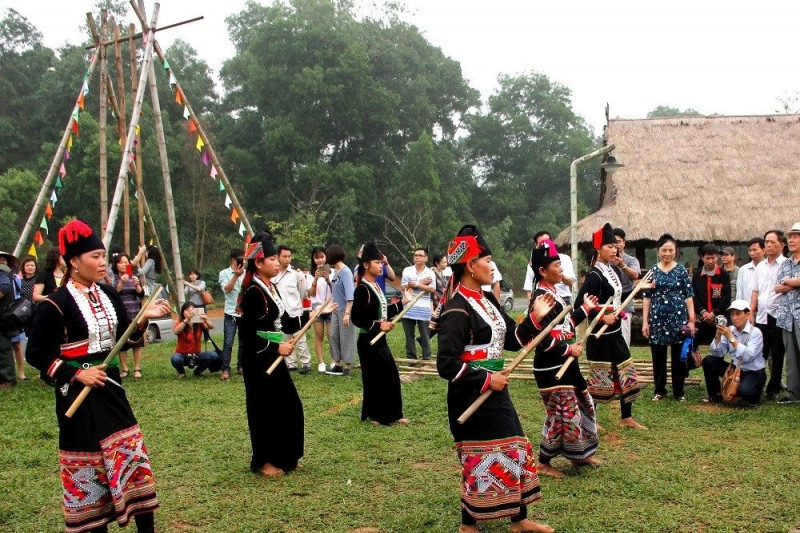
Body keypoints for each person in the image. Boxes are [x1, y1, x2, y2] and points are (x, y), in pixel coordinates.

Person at [25, 218, 171, 533]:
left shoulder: (108, 294)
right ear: (73, 262)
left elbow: (126, 340)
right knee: (89, 470)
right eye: (95, 257)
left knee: (132, 457)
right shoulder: (56, 304)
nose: (103, 262)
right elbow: (35, 353)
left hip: (112, 392)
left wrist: (143, 319)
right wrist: (77, 375)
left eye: (103, 256)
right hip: (77, 398)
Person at [435, 224, 555, 533]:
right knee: (479, 458)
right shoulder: (457, 310)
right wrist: (486, 381)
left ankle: (519, 519)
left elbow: (512, 340)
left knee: (513, 447)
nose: (492, 267)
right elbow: (446, 365)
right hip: (471, 395)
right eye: (487, 261)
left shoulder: (487, 301)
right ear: (471, 266)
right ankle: (468, 525)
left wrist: (535, 319)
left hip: (496, 393)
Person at [528, 239, 599, 478]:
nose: (561, 270)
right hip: (552, 366)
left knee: (581, 403)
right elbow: (541, 339)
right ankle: (544, 461)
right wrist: (569, 350)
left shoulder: (555, 294)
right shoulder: (541, 299)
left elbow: (566, 325)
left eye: (561, 264)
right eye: (556, 265)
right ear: (542, 271)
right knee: (561, 414)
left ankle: (579, 454)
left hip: (567, 364)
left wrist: (586, 309)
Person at [238, 230, 303, 476]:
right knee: (264, 409)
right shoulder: (253, 292)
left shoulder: (270, 288)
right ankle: (264, 461)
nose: (278, 263)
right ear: (258, 262)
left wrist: (309, 318)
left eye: (278, 259)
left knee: (289, 405)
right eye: (273, 259)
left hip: (274, 357)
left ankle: (287, 456)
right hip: (259, 360)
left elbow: (283, 321)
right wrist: (277, 347)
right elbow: (248, 334)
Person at [574, 223, 647, 430]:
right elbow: (581, 303)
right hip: (599, 333)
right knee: (599, 375)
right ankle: (590, 420)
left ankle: (627, 416)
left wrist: (639, 289)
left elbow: (617, 297)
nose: (614, 249)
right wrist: (600, 315)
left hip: (615, 332)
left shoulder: (613, 269)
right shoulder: (594, 276)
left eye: (615, 246)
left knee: (626, 370)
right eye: (609, 246)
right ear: (598, 249)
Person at [351, 240, 411, 425]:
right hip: (368, 340)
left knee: (390, 373)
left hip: (379, 339)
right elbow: (357, 318)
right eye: (377, 262)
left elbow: (384, 313)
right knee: (375, 376)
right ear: (366, 265)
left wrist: (403, 303)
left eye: (381, 262)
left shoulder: (376, 286)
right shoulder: (362, 289)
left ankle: (394, 414)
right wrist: (378, 326)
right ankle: (376, 415)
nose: (381, 265)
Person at [642, 234, 696, 402]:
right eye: (664, 250)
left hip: (678, 319)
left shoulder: (680, 271)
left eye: (670, 250)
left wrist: (691, 320)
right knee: (658, 356)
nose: (667, 253)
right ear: (658, 251)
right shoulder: (653, 270)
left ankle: (679, 391)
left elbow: (688, 296)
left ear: (676, 251)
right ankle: (659, 390)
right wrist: (645, 321)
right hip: (657, 319)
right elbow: (647, 297)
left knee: (678, 356)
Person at [701, 299, 765, 405]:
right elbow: (717, 354)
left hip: (753, 372)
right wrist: (718, 336)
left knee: (745, 392)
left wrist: (731, 338)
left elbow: (747, 356)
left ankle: (753, 392)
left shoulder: (755, 333)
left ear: (747, 314)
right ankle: (715, 395)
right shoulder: (730, 329)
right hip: (735, 370)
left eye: (738, 314)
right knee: (709, 361)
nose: (734, 318)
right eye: (732, 314)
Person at [750, 230, 787, 400]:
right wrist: (751, 311)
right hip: (761, 315)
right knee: (760, 351)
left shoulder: (787, 265)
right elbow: (755, 290)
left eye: (772, 242)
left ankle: (774, 387)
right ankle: (757, 382)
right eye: (766, 242)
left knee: (777, 353)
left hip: (778, 314)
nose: (769, 245)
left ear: (782, 244)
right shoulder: (760, 267)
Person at [273, 245, 312, 373]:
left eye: (289, 256)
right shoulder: (273, 273)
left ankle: (306, 362)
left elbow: (302, 291)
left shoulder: (297, 273)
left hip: (296, 311)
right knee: (285, 337)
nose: (287, 259)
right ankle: (291, 363)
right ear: (278, 257)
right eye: (284, 256)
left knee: (300, 339)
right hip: (281, 313)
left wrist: (296, 304)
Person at [775, 222, 800, 404]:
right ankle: (794, 394)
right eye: (789, 237)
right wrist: (793, 283)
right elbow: (777, 287)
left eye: (795, 237)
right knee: (791, 359)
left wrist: (788, 282)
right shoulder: (786, 263)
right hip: (786, 316)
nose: (791, 240)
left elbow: (784, 284)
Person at [111, 252, 145, 379]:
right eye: (121, 262)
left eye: (126, 262)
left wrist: (137, 285)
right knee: (122, 343)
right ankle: (125, 368)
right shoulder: (113, 277)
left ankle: (137, 367)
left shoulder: (134, 276)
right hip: (121, 314)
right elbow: (114, 293)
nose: (124, 264)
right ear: (116, 265)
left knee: (137, 341)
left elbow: (141, 295)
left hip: (134, 312)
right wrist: (121, 282)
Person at [692, 243, 732, 348]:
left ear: (717, 257)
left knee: (718, 349)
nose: (710, 261)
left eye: (713, 258)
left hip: (719, 318)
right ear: (702, 258)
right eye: (707, 258)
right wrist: (703, 312)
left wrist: (714, 313)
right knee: (692, 347)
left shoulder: (724, 274)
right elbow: (693, 296)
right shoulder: (697, 275)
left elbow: (726, 297)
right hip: (702, 318)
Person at [400, 247, 436, 361]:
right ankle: (411, 359)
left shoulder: (430, 273)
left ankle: (427, 357)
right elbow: (404, 286)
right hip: (408, 307)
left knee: (425, 335)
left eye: (420, 255)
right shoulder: (407, 270)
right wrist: (420, 283)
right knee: (409, 336)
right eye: (415, 255)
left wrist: (416, 284)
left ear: (426, 258)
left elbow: (432, 289)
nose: (417, 257)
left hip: (423, 309)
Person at [326, 244, 356, 376]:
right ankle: (337, 364)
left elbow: (350, 295)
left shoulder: (346, 272)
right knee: (333, 336)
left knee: (346, 337)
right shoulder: (335, 272)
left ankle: (347, 366)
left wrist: (347, 314)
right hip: (335, 310)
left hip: (345, 310)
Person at [524, 231, 575, 305]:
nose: (546, 245)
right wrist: (530, 304)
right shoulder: (533, 263)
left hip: (563, 297)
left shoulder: (565, 258)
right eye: (542, 243)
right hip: (543, 298)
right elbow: (529, 288)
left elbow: (571, 282)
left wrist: (559, 274)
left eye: (548, 242)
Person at [170, 301, 220, 377]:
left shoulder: (199, 322)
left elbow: (211, 326)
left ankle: (198, 371)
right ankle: (181, 373)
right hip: (182, 355)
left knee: (214, 355)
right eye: (188, 310)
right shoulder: (180, 322)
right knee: (175, 358)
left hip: (196, 355)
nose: (191, 312)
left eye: (192, 309)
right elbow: (176, 331)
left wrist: (205, 319)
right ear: (183, 312)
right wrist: (186, 320)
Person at [612, 227, 641, 346]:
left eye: (619, 242)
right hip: (610, 303)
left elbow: (636, 275)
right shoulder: (606, 260)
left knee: (624, 337)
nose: (617, 245)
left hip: (625, 302)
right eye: (613, 242)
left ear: (624, 243)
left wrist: (622, 265)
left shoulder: (631, 260)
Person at [219, 249, 244, 380]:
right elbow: (227, 289)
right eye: (239, 259)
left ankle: (241, 366)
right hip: (230, 313)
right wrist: (236, 276)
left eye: (243, 259)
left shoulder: (248, 273)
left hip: (245, 313)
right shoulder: (224, 273)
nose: (241, 262)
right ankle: (225, 369)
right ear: (232, 260)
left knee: (243, 341)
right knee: (228, 342)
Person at [308, 247, 332, 373]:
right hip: (317, 308)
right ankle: (321, 362)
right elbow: (311, 294)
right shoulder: (310, 274)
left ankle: (334, 360)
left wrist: (328, 279)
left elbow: (336, 291)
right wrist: (315, 279)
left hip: (331, 307)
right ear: (313, 259)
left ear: (326, 256)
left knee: (331, 335)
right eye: (317, 257)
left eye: (322, 256)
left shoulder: (332, 272)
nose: (320, 260)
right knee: (318, 335)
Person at [14, 255, 38, 380]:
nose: (30, 267)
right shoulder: (19, 281)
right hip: (23, 314)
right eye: (27, 265)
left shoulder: (39, 280)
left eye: (32, 265)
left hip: (37, 312)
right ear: (23, 267)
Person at [0, 251, 19, 388]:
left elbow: (4, 288)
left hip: (3, 315)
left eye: (2, 259)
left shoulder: (3, 272)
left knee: (3, 347)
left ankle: (8, 379)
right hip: (5, 314)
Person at [738, 237, 765, 303]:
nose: (752, 253)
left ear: (764, 250)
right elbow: (739, 292)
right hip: (746, 309)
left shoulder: (769, 268)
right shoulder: (743, 270)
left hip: (764, 309)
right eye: (750, 250)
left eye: (755, 250)